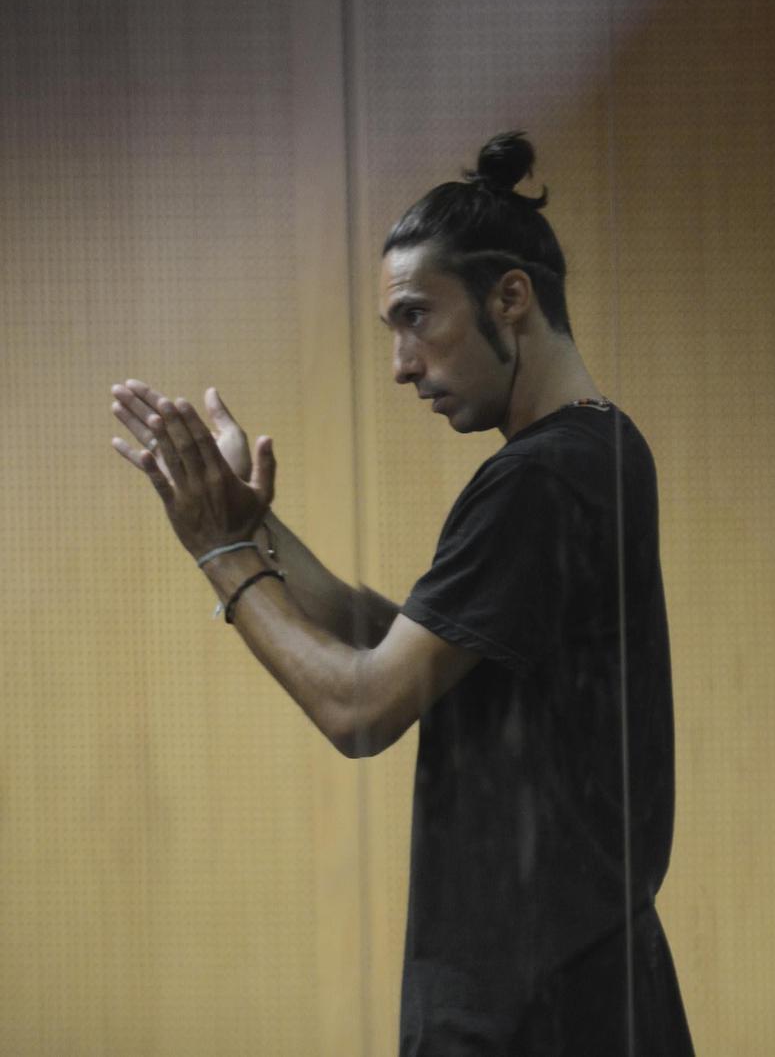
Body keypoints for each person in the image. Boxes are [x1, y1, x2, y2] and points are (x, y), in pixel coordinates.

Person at [110, 133, 694, 1056]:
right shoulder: (606, 449)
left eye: (418, 318)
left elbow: (363, 705)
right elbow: (413, 650)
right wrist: (253, 527)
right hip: (591, 978)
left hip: (521, 997)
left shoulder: (537, 481)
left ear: (512, 297)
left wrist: (220, 554)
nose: (401, 363)